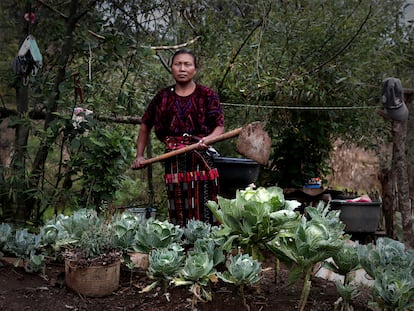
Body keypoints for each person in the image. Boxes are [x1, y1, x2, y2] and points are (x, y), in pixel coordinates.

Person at [131, 48, 225, 226]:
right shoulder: (163, 97)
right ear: (172, 68)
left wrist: (209, 139)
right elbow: (145, 124)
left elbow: (219, 126)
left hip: (201, 158)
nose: (182, 68)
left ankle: (207, 246)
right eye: (178, 64)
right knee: (178, 206)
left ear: (194, 70)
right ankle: (180, 248)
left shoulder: (207, 95)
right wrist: (139, 155)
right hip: (173, 160)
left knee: (205, 205)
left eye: (187, 64)